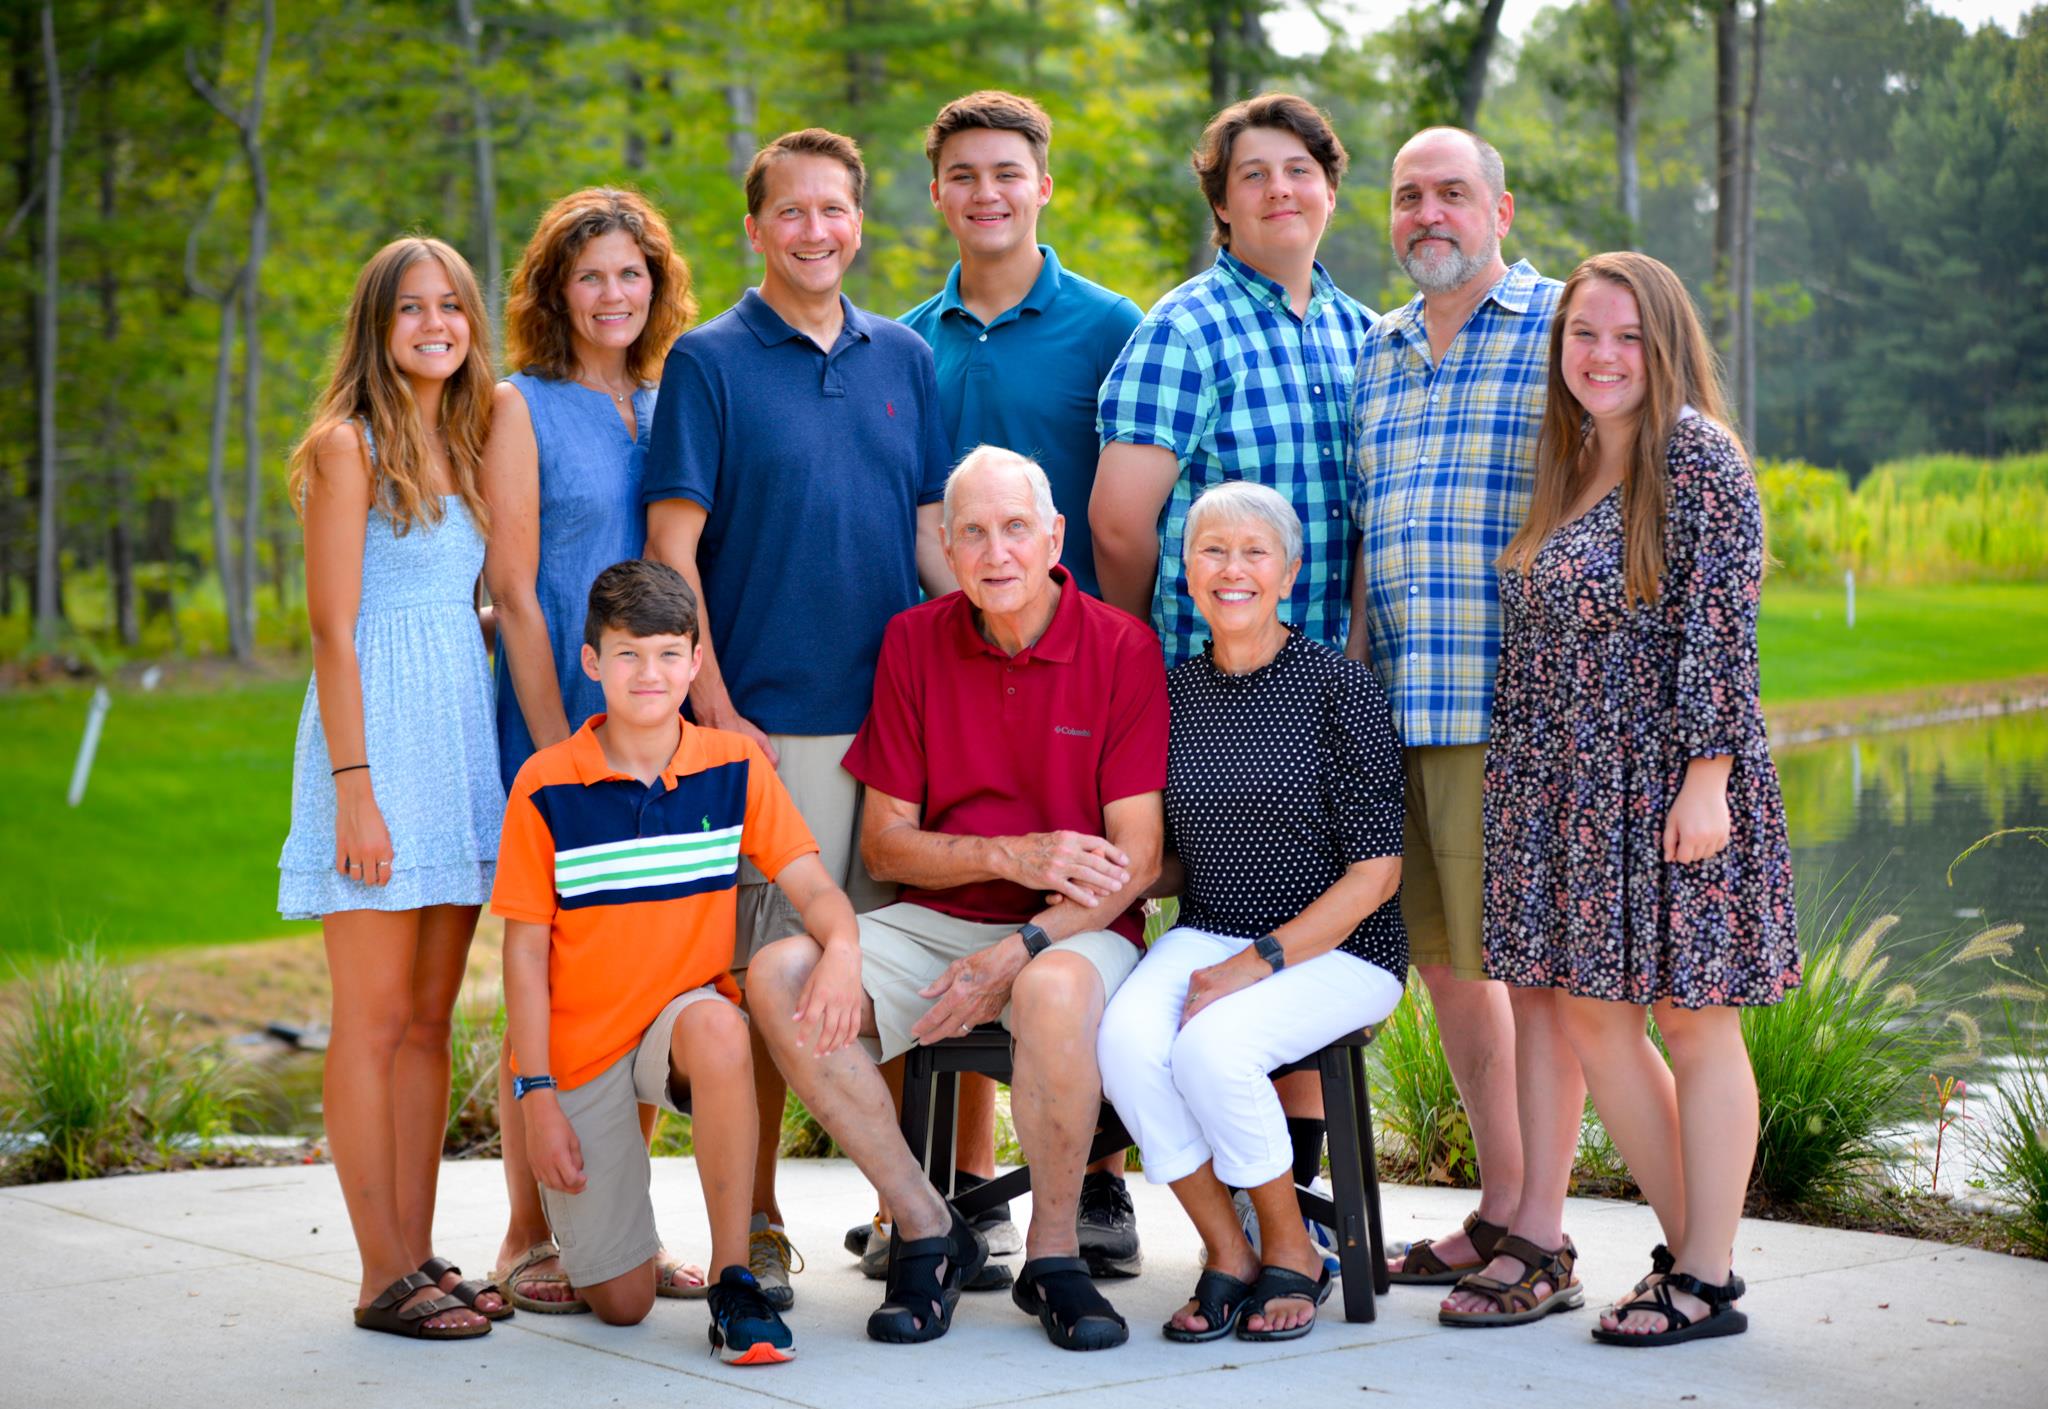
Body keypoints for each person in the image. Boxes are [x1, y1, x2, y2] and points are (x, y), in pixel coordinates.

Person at [745, 446, 1167, 1350]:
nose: (996, 551)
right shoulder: (914, 640)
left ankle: (1053, 1261)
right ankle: (928, 1226)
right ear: (945, 542)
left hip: (1075, 930)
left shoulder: (1123, 647)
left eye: (1016, 527)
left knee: (1050, 989)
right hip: (942, 919)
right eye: (971, 531)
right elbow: (884, 842)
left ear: (1054, 536)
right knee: (779, 971)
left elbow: (1134, 861)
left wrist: (1019, 946)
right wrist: (1017, 855)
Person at [643, 127, 955, 1309]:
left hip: (901, 730)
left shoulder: (904, 356)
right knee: (768, 973)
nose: (815, 230)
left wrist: (1005, 639)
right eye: (791, 211)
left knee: (894, 980)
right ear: (755, 228)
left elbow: (928, 533)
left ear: (861, 222)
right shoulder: (708, 362)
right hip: (770, 728)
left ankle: (899, 1204)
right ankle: (760, 1219)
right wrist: (714, 708)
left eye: (835, 209)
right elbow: (671, 556)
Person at [1481, 252, 1798, 1344]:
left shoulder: (1694, 456)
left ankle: (1701, 1273)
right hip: (1566, 790)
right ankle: (1694, 1257)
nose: (1602, 356)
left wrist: (1706, 777)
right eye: (1583, 335)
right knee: (1592, 1014)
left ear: (1662, 348)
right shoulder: (1566, 463)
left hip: (1668, 779)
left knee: (1692, 1018)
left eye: (1625, 338)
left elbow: (1721, 625)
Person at [1093, 89, 1374, 1232]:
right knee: (1198, 908)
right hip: (1204, 690)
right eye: (1252, 174)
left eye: (1299, 171)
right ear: (1219, 200)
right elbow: (1120, 521)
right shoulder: (1185, 327)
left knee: (1301, 927)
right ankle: (1125, 1177)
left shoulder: (1365, 334)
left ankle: (1287, 1200)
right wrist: (1145, 673)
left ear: (1328, 188)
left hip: (1320, 687)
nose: (1279, 190)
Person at [893, 88, 1146, 1280]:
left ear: (1042, 185)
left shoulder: (1108, 325)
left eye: (1007, 172)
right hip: (951, 672)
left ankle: (1095, 1185)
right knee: (963, 915)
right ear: (937, 193)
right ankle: (961, 1193)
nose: (986, 193)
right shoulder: (902, 341)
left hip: (1092, 679)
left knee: (1087, 915)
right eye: (963, 176)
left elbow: (1136, 498)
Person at [495, 559, 859, 1365]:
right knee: (622, 1306)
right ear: (591, 662)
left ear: (697, 661)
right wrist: (538, 1096)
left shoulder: (734, 766)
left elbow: (816, 887)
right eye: (627, 654)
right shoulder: (545, 785)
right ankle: (619, 1242)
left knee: (723, 1027)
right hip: (579, 1046)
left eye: (667, 654)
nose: (649, 674)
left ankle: (736, 1282)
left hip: (675, 1024)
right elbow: (522, 956)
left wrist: (844, 949)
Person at [1345, 127, 1573, 1314]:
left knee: (1532, 974)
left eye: (1449, 193)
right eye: (1406, 196)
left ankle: (1544, 1235)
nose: (1426, 213)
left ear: (1499, 205)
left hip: (1515, 711)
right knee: (1448, 971)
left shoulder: (1559, 331)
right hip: (1400, 711)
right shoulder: (1375, 351)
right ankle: (1499, 1201)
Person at [1097, 481, 1407, 1345]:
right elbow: (1163, 853)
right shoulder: (1175, 692)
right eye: (1211, 551)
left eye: (1253, 551)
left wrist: (1256, 962)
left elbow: (1376, 874)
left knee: (1212, 1045)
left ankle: (1292, 1247)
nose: (1232, 569)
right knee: (1122, 1039)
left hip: (1344, 949)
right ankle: (1228, 1247)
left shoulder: (1340, 689)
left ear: (1289, 571)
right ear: (1186, 574)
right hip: (1210, 923)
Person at [481, 187, 706, 1312]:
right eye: (591, 277)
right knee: (558, 974)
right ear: (554, 292)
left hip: (659, 727)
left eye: (631, 273)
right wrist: (545, 737)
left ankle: (612, 1223)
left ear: (655, 284)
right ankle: (528, 1230)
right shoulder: (519, 405)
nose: (614, 294)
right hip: (559, 725)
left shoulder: (674, 398)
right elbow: (515, 591)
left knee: (647, 969)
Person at [277, 236, 506, 1340]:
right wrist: (354, 789)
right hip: (372, 747)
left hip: (456, 745)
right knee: (369, 1022)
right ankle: (378, 1274)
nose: (434, 324)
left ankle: (415, 1250)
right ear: (377, 324)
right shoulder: (344, 445)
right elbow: (331, 628)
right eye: (411, 307)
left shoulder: (461, 441)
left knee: (427, 1022)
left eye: (451, 306)